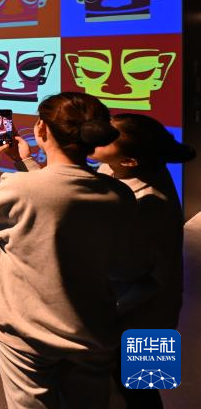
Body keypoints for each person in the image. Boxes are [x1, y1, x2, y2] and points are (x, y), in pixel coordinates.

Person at [0, 92, 136, 409]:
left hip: (27, 334)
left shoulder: (20, 189)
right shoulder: (119, 193)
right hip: (92, 331)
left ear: (41, 129)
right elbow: (54, 193)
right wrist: (25, 162)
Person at [91, 113, 195, 408]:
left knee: (144, 389)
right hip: (128, 309)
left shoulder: (151, 204)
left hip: (148, 316)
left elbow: (152, 278)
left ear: (129, 161)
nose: (94, 135)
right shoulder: (121, 168)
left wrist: (109, 311)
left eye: (105, 138)